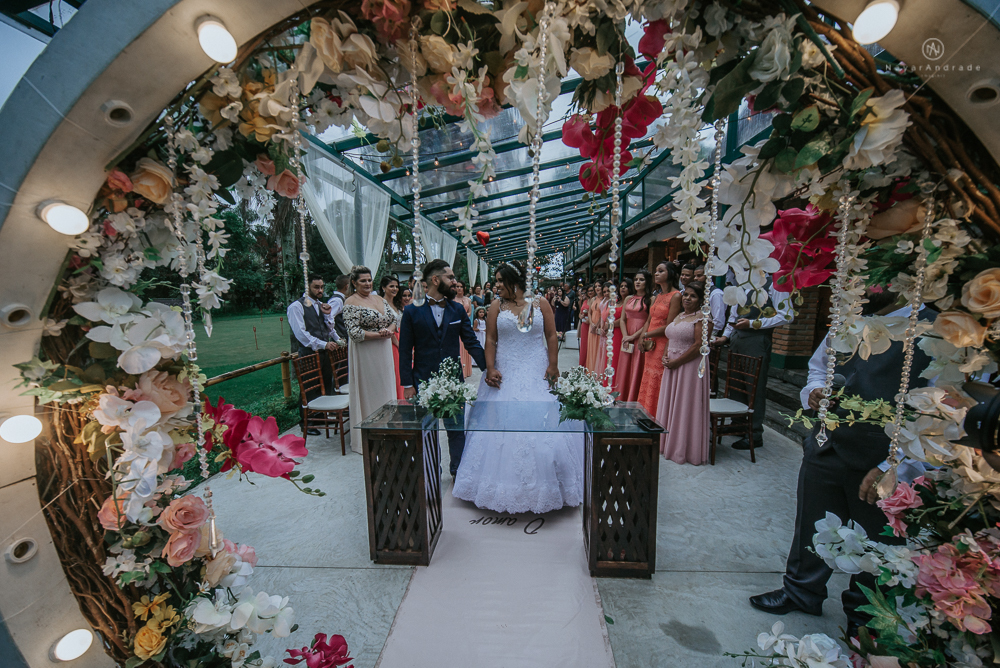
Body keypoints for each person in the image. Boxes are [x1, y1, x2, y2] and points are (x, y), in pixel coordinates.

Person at [749, 292, 934, 638]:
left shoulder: (931, 326)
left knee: (877, 541)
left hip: (881, 456)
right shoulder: (849, 314)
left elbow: (936, 411)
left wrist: (896, 464)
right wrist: (816, 391)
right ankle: (801, 591)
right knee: (811, 523)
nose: (869, 287)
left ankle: (865, 617)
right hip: (827, 443)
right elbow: (819, 367)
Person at [453, 261, 583, 514]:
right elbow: (490, 338)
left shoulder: (540, 303)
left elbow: (551, 335)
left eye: (501, 280)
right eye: (496, 280)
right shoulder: (494, 306)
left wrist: (553, 365)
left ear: (516, 281)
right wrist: (489, 368)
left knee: (542, 422)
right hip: (505, 370)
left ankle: (548, 485)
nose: (497, 285)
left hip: (536, 367)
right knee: (500, 424)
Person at [399, 259, 488, 476]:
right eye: (450, 278)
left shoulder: (457, 309)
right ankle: (431, 471)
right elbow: (404, 350)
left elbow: (471, 342)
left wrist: (488, 368)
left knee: (456, 429)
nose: (455, 283)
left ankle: (458, 471)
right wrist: (408, 384)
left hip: (453, 381)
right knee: (427, 430)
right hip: (422, 380)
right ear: (436, 280)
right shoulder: (411, 312)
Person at [713, 275, 794, 450]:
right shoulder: (743, 282)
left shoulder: (776, 283)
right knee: (735, 383)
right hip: (736, 339)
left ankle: (754, 433)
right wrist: (725, 336)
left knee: (753, 387)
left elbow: (787, 315)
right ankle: (738, 424)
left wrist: (754, 323)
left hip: (757, 340)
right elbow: (734, 315)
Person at [343, 266, 398, 453]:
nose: (367, 284)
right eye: (363, 281)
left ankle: (388, 428)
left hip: (384, 351)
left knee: (385, 387)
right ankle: (370, 435)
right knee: (371, 389)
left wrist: (388, 331)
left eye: (369, 280)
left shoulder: (379, 299)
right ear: (354, 283)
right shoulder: (350, 302)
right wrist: (379, 335)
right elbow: (354, 333)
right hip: (366, 352)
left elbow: (394, 318)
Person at [656, 282, 711, 465]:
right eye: (686, 294)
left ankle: (683, 447)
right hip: (672, 364)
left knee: (685, 404)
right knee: (670, 402)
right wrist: (665, 357)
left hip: (689, 366)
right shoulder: (680, 315)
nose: (687, 298)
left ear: (701, 300)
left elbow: (698, 346)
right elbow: (670, 338)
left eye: (693, 296)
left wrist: (677, 362)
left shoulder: (703, 318)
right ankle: (666, 442)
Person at [287, 274, 337, 435]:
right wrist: (324, 344)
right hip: (309, 352)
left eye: (322, 287)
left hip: (324, 352)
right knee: (309, 387)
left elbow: (329, 328)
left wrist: (328, 315)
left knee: (325, 384)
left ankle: (321, 418)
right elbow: (301, 334)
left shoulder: (321, 305)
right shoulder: (296, 306)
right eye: (316, 287)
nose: (320, 290)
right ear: (307, 287)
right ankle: (307, 423)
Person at [636, 262, 682, 417]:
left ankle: (657, 414)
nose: (656, 274)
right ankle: (645, 412)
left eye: (660, 271)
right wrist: (642, 336)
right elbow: (649, 319)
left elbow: (670, 325)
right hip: (650, 343)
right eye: (656, 271)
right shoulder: (656, 297)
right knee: (648, 376)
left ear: (670, 274)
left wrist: (648, 335)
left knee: (658, 378)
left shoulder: (676, 296)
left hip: (663, 342)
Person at [616, 270, 650, 402]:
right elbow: (623, 319)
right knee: (624, 366)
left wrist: (633, 336)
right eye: (636, 279)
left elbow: (649, 321)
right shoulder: (629, 299)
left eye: (641, 279)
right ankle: (622, 396)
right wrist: (625, 335)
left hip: (640, 336)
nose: (637, 282)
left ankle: (634, 398)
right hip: (627, 335)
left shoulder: (650, 299)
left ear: (647, 282)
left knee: (637, 366)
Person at [381, 275, 405, 401]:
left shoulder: (396, 303)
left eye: (396, 286)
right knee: (396, 371)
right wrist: (398, 343)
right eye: (391, 286)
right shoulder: (382, 304)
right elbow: (384, 327)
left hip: (401, 336)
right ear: (383, 287)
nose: (395, 289)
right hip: (391, 340)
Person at [608, 278, 631, 389]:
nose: (622, 288)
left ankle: (616, 386)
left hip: (620, 332)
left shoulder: (629, 301)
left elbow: (625, 318)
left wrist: (610, 325)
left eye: (625, 286)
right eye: (621, 286)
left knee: (616, 359)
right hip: (612, 334)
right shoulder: (617, 302)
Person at [455, 280, 473, 378]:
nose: (459, 288)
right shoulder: (453, 299)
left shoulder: (468, 300)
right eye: (457, 286)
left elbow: (470, 312)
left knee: (465, 346)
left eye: (461, 286)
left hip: (465, 323)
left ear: (464, 288)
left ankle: (466, 371)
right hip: (456, 324)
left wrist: (464, 316)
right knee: (459, 347)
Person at [586, 283, 606, 371]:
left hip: (599, 325)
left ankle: (597, 371)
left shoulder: (605, 300)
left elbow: (603, 314)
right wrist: (591, 323)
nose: (597, 288)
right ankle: (590, 370)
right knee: (591, 348)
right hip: (592, 325)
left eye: (599, 286)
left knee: (598, 348)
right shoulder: (593, 299)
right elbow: (589, 313)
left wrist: (597, 325)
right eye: (596, 286)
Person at [327, 275, 350, 343]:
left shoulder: (341, 299)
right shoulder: (337, 301)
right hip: (341, 341)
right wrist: (337, 338)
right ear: (347, 286)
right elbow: (328, 319)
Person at [578, 285, 593, 367]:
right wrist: (580, 315)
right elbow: (580, 312)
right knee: (583, 344)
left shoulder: (593, 300)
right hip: (584, 323)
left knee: (590, 344)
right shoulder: (584, 301)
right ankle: (582, 364)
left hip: (590, 323)